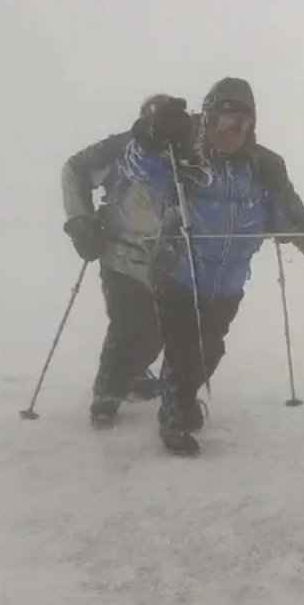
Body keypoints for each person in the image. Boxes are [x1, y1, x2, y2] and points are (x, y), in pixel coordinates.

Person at [84, 76, 304, 454]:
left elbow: (291, 221)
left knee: (209, 351)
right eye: (221, 122)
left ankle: (182, 396)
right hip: (176, 275)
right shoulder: (179, 159)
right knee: (176, 349)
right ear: (205, 120)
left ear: (252, 126)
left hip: (227, 284)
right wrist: (150, 134)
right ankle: (159, 413)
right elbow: (139, 166)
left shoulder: (264, 167)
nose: (229, 132)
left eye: (239, 124)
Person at [61, 93, 181, 427]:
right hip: (119, 254)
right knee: (127, 325)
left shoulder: (185, 152)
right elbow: (74, 169)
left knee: (160, 329)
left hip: (168, 260)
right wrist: (80, 220)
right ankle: (107, 394)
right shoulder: (119, 149)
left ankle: (135, 375)